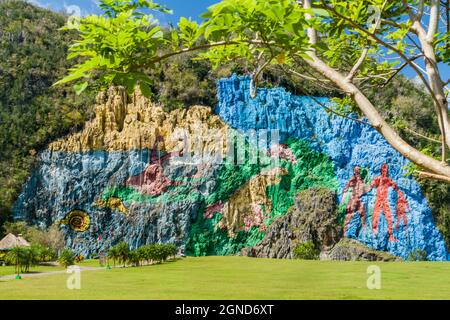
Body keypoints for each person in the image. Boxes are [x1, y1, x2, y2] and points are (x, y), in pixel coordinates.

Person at [341, 166, 368, 236]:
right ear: (354, 171)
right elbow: (347, 188)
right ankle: (346, 231)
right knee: (351, 212)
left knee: (362, 212)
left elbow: (363, 187)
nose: (359, 171)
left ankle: (363, 230)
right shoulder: (352, 179)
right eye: (357, 169)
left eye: (359, 169)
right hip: (353, 198)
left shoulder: (361, 180)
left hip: (359, 198)